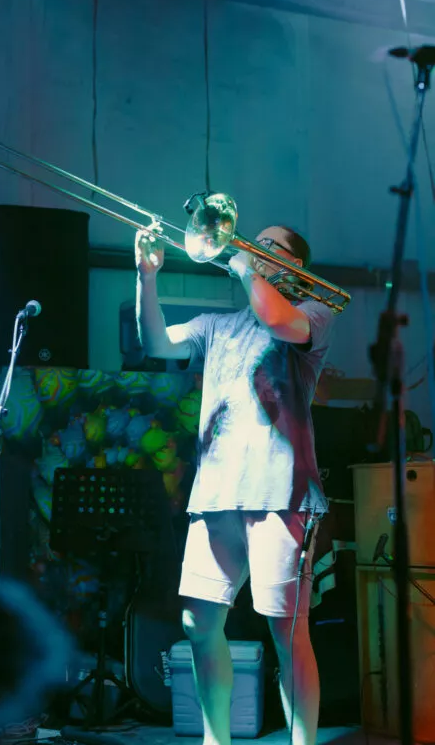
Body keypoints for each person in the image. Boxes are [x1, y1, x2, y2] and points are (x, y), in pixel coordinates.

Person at [135, 223, 336, 745]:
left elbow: (274, 317)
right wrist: (146, 276)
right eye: (256, 243)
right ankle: (214, 739)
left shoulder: (314, 314)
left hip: (280, 494)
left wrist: (247, 266)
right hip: (216, 495)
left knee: (286, 632)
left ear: (297, 269)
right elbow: (154, 340)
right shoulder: (215, 325)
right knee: (197, 624)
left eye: (273, 247)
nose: (256, 248)